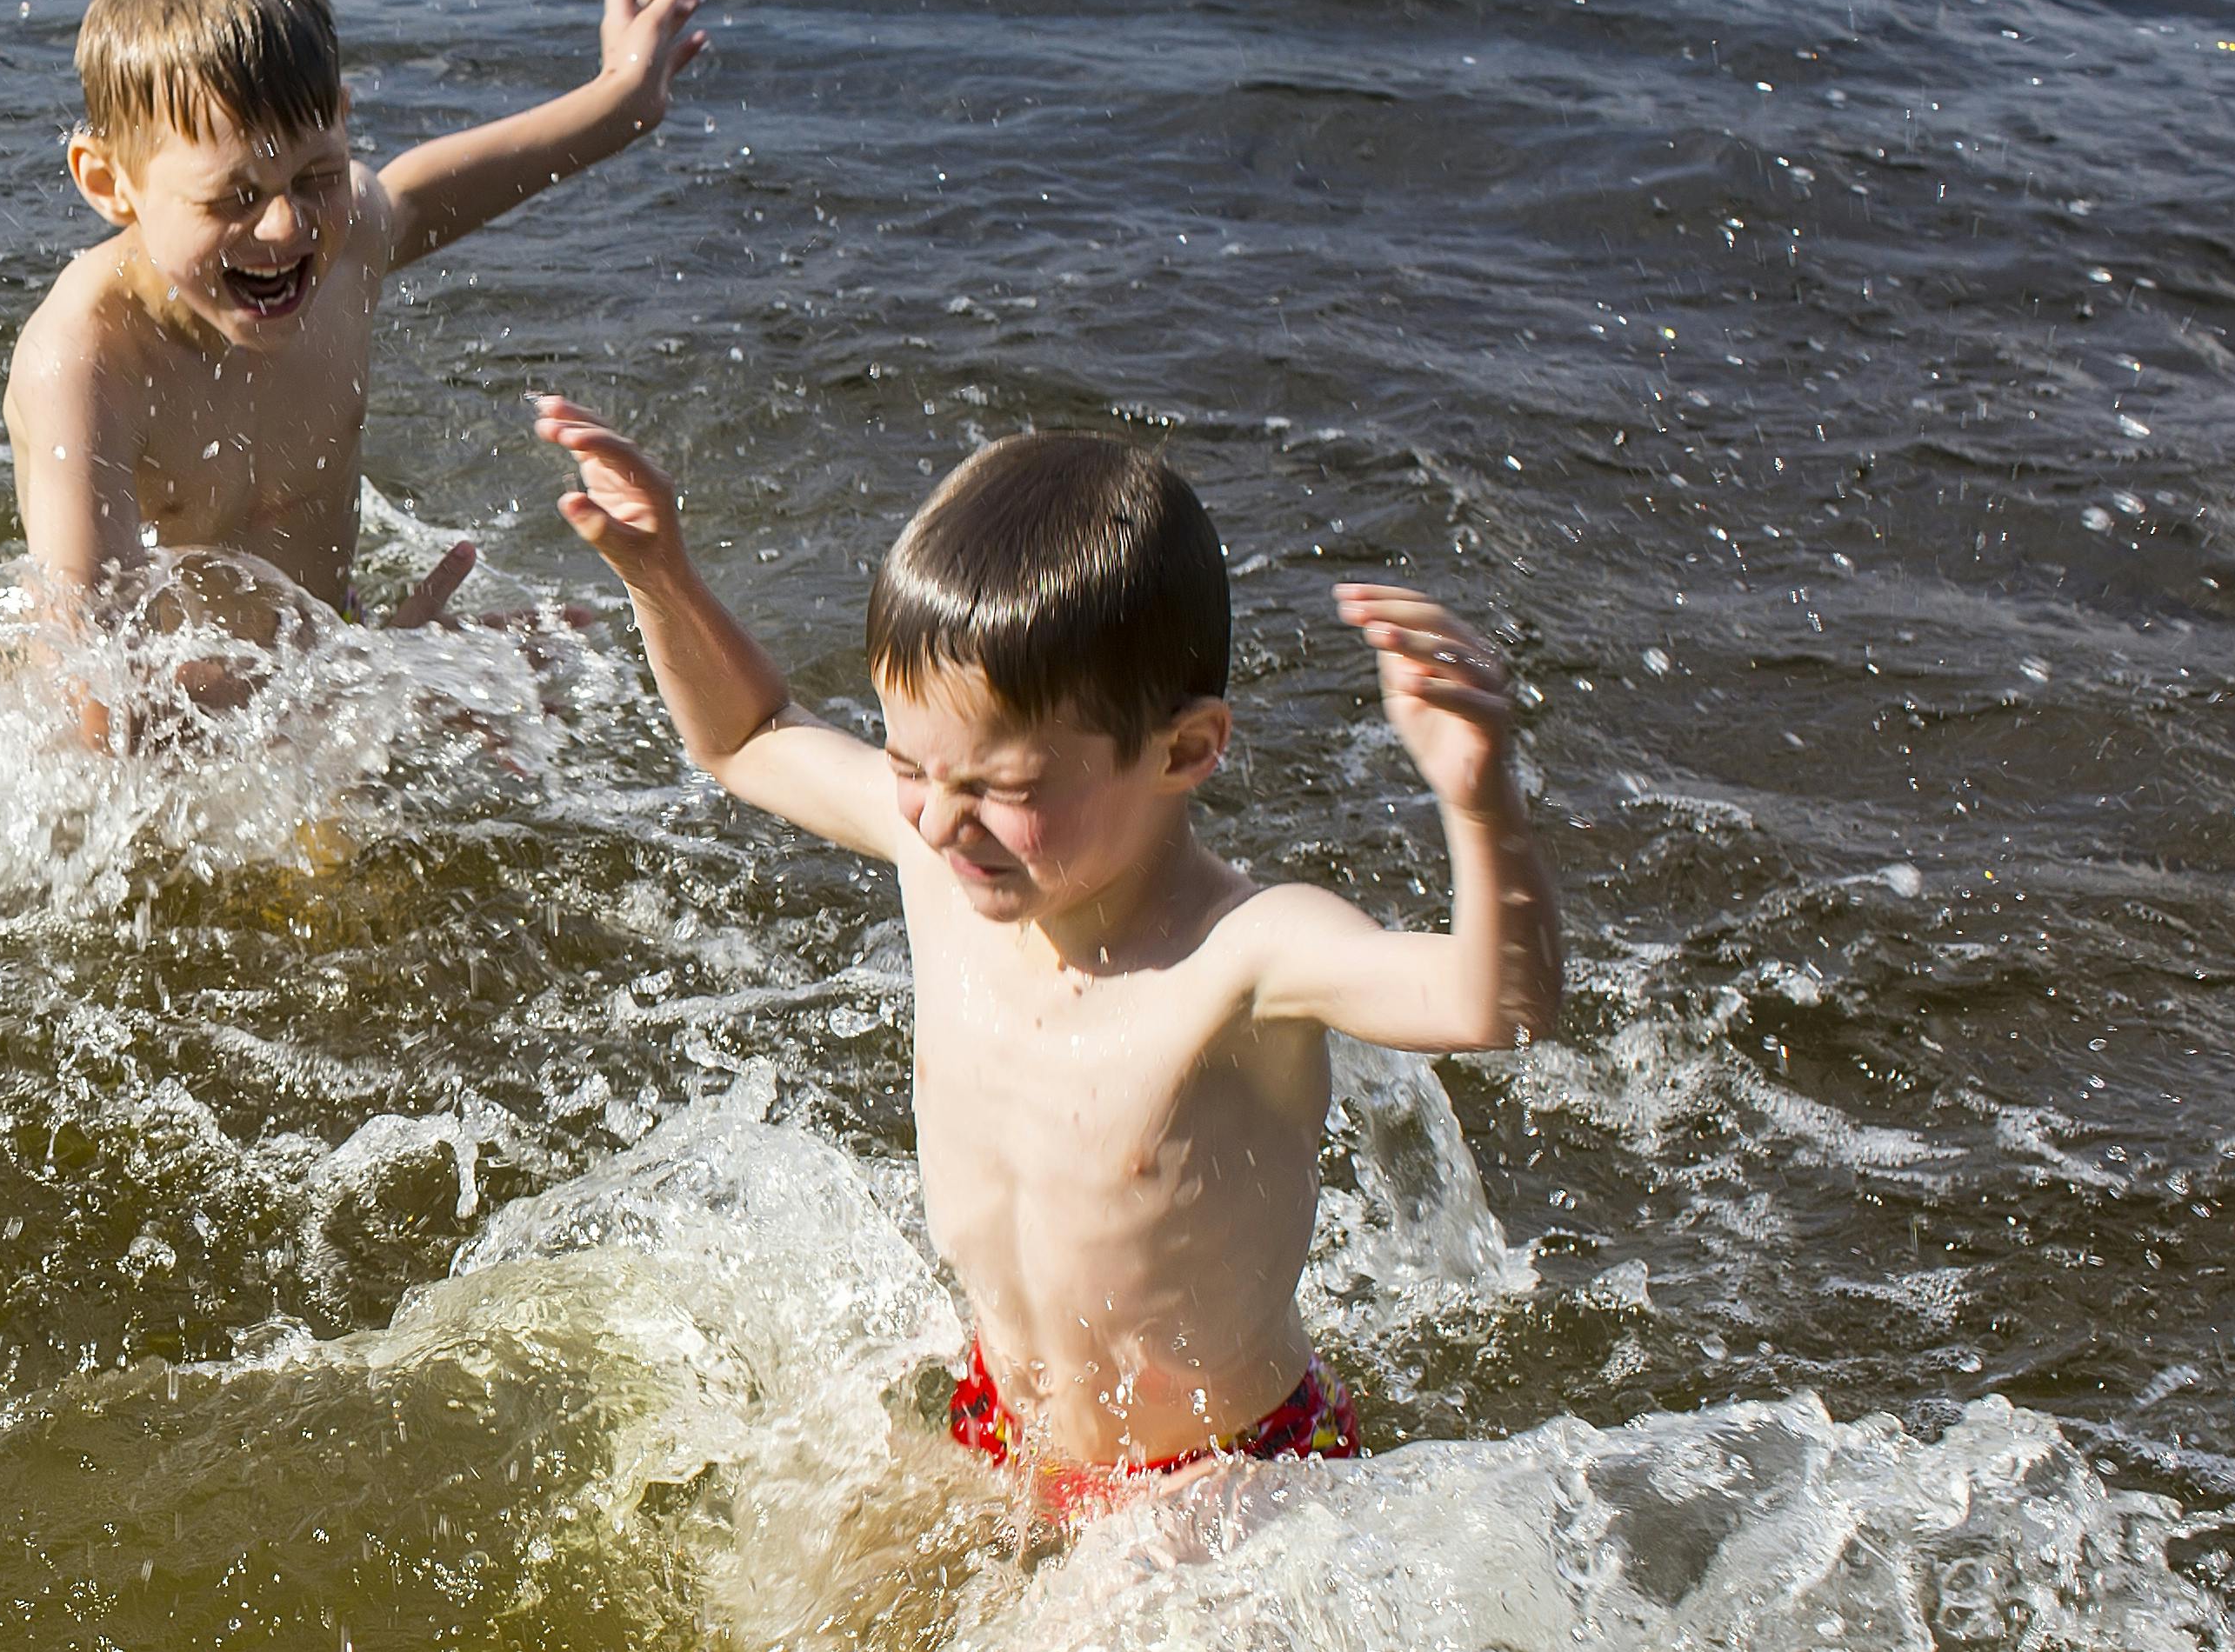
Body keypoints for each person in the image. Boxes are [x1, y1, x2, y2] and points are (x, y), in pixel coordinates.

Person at [531, 398, 1559, 1505]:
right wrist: (660, 576)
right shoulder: (938, 859)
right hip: (999, 1417)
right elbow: (745, 737)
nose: (934, 821)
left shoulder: (1243, 956)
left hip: (1222, 1483)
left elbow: (1493, 1004)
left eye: (1004, 790)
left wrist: (1480, 801)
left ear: (1186, 749)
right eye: (912, 767)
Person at [6, 0, 704, 657]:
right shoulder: (90, 364)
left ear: (341, 119)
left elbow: (414, 202)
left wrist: (622, 99)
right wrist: (389, 681)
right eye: (235, 196)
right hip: (178, 741)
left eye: (318, 178)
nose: (286, 227)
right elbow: (92, 716)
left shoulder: (345, 242)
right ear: (108, 183)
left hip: (327, 665)